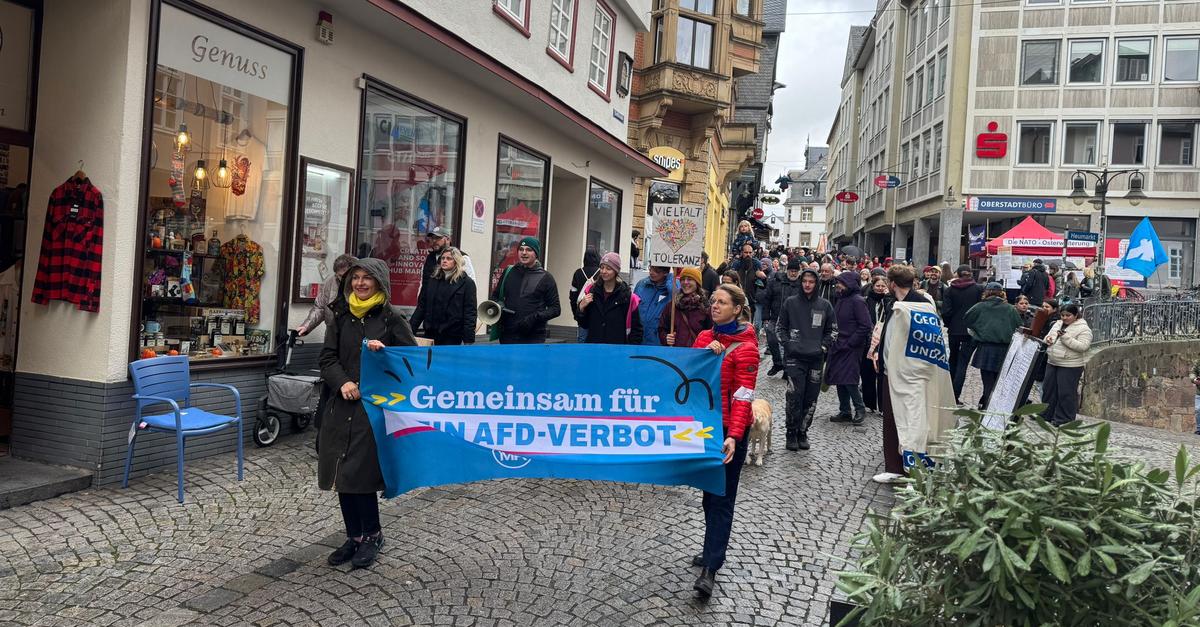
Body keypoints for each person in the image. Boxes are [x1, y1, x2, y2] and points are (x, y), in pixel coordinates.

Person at [318, 258, 418, 569]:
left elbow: (409, 363)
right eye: (356, 278)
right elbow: (327, 358)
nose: (360, 283)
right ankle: (354, 536)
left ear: (379, 282)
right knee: (341, 474)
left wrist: (385, 355)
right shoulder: (340, 316)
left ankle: (372, 534)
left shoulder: (391, 319)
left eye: (367, 278)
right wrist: (343, 382)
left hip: (372, 411)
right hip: (340, 405)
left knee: (359, 474)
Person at [689, 283, 758, 599]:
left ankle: (710, 569)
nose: (714, 306)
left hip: (730, 435)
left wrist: (734, 436)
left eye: (721, 302)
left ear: (737, 309)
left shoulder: (747, 349)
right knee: (708, 496)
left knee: (722, 500)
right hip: (704, 431)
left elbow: (744, 397)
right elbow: (687, 376)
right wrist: (705, 356)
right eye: (712, 301)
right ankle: (709, 549)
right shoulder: (705, 337)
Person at [777, 268, 834, 451]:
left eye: (811, 281)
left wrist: (823, 347)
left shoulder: (825, 305)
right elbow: (780, 328)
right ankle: (791, 432)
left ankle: (803, 431)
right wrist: (788, 345)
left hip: (816, 359)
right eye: (804, 281)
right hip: (795, 359)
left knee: (811, 397)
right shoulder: (790, 303)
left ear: (816, 283)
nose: (807, 285)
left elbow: (832, 331)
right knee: (795, 395)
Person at [491, 237, 561, 344]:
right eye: (521, 249)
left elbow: (555, 309)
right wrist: (499, 304)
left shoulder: (546, 278)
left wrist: (534, 318)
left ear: (536, 254)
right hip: (508, 335)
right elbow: (495, 296)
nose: (524, 253)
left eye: (529, 250)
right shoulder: (509, 272)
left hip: (533, 337)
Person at [964, 282, 1022, 409]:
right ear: (1002, 293)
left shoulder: (980, 307)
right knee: (999, 379)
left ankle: (987, 402)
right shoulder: (1010, 309)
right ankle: (993, 403)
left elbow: (967, 319)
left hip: (986, 347)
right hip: (1004, 349)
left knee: (987, 379)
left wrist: (977, 332)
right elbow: (1019, 326)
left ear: (987, 292)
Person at [827, 271, 872, 425]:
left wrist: (851, 342)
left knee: (850, 379)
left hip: (851, 347)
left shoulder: (857, 301)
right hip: (839, 345)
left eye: (841, 282)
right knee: (840, 378)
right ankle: (845, 410)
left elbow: (865, 325)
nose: (838, 285)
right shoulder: (842, 299)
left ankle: (860, 409)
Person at [408, 247, 478, 345]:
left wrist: (468, 340)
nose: (444, 261)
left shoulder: (467, 283)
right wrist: (409, 331)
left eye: (449, 258)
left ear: (456, 261)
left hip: (452, 336)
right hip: (430, 333)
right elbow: (422, 307)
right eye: (443, 258)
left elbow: (470, 313)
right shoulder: (433, 280)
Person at [1041, 303, 1093, 426]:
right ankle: (1046, 414)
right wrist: (1048, 339)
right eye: (1063, 315)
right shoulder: (1058, 324)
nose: (1064, 318)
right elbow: (1049, 336)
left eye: (1068, 315)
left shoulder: (1084, 329)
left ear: (1076, 315)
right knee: (1048, 390)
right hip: (1053, 361)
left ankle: (1064, 418)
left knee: (1066, 393)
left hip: (1070, 365)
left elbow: (1083, 347)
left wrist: (1065, 338)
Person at [577, 252, 642, 345]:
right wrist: (581, 308)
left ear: (616, 271)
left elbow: (636, 330)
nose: (604, 271)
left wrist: (630, 352)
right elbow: (584, 324)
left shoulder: (627, 296)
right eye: (602, 267)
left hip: (617, 350)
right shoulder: (591, 291)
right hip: (594, 348)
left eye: (608, 268)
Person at [941, 265, 983, 405]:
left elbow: (946, 312)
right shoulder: (978, 289)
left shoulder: (950, 290)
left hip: (954, 330)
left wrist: (949, 323)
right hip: (970, 331)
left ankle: (948, 393)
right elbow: (979, 310)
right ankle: (955, 395)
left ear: (957, 275)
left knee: (953, 360)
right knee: (963, 363)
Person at [758, 258, 805, 377]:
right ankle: (778, 363)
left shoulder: (802, 284)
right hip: (775, 316)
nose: (793, 273)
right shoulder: (776, 281)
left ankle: (786, 368)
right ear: (787, 270)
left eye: (795, 271)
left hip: (794, 320)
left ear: (799, 272)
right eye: (791, 270)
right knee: (771, 339)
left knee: (789, 345)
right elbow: (767, 299)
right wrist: (765, 316)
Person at [297, 253, 357, 337]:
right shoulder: (331, 283)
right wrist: (306, 326)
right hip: (333, 332)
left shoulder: (360, 285)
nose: (342, 279)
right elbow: (320, 307)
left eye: (346, 276)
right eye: (339, 276)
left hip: (354, 334)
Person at [660, 266, 711, 348]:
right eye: (683, 279)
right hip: (676, 354)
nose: (685, 282)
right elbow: (662, 328)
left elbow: (711, 333)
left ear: (697, 283)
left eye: (689, 279)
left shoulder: (705, 307)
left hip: (697, 355)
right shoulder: (672, 306)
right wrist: (666, 338)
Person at [862, 276, 890, 414]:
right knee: (868, 371)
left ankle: (883, 405)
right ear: (872, 286)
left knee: (881, 372)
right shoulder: (867, 300)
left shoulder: (889, 300)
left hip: (884, 339)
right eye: (877, 286)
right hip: (869, 339)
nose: (880, 288)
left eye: (882, 286)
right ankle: (869, 402)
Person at [634, 265, 677, 346]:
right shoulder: (641, 284)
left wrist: (670, 281)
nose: (651, 273)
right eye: (650, 269)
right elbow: (633, 309)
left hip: (658, 342)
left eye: (657, 271)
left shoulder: (672, 286)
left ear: (665, 273)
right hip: (639, 340)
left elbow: (677, 298)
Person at [569, 250, 602, 343]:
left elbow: (572, 295)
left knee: (582, 340)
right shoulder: (601, 273)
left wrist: (576, 313)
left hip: (582, 311)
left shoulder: (578, 273)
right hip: (596, 312)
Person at [731, 244, 767, 322]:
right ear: (741, 253)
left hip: (750, 302)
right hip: (736, 301)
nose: (748, 255)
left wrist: (763, 278)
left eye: (750, 253)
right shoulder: (737, 264)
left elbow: (763, 286)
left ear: (753, 253)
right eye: (746, 252)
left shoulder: (756, 264)